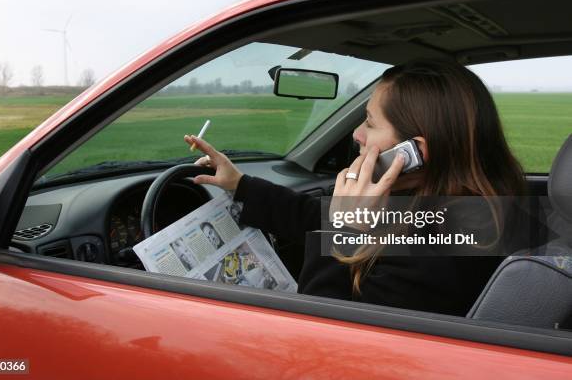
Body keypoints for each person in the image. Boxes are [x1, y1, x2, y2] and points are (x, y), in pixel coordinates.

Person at [182, 60, 527, 316]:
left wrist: (343, 230)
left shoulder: (439, 252)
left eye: (370, 123)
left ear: (414, 153)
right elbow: (311, 217)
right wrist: (241, 185)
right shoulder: (456, 207)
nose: (356, 135)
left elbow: (324, 334)